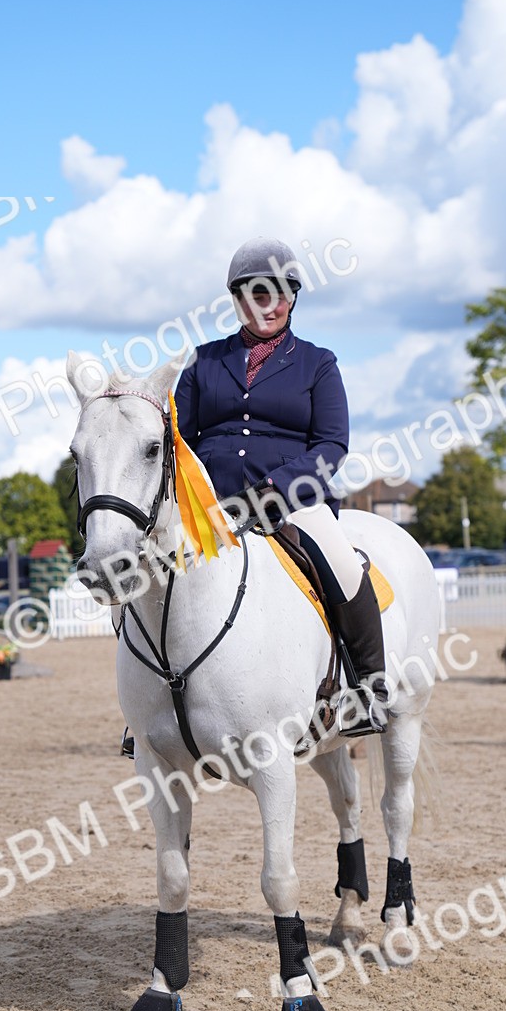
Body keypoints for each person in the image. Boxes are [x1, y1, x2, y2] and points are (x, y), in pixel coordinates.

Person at [173, 236, 388, 737]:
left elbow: (332, 444)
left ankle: (367, 689)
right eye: (254, 294)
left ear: (291, 299)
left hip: (294, 504)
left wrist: (275, 489)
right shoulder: (203, 362)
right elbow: (179, 439)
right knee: (153, 573)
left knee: (342, 563)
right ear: (238, 300)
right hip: (213, 506)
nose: (265, 305)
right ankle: (150, 709)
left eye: (276, 293)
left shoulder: (318, 363)